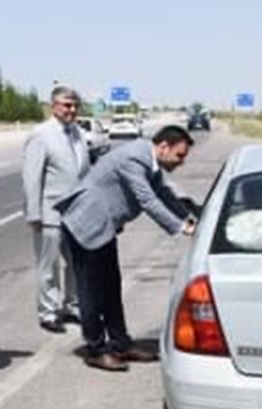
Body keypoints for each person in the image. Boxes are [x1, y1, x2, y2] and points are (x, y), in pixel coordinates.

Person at [57, 125, 198, 372]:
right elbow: (148, 200)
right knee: (90, 291)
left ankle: (120, 343)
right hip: (86, 225)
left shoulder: (149, 161)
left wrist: (189, 217)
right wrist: (180, 228)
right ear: (164, 147)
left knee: (111, 286)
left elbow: (163, 193)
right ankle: (95, 349)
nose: (181, 162)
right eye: (180, 155)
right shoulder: (135, 158)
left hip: (104, 227)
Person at [22, 86, 91, 333]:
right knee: (48, 266)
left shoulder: (78, 134)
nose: (71, 110)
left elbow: (85, 173)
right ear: (54, 106)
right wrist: (34, 213)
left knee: (76, 263)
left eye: (74, 105)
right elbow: (32, 177)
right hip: (49, 213)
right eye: (66, 105)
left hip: (76, 213)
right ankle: (48, 312)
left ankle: (72, 305)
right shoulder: (41, 135)